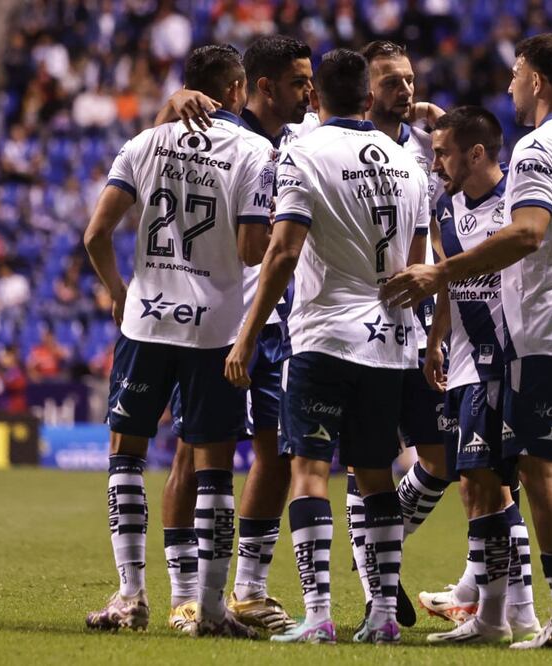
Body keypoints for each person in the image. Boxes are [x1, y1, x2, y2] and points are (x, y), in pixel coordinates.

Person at [380, 34, 552, 649]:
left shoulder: (538, 146)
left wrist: (440, 272)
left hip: (550, 331)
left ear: (537, 81)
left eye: (517, 73)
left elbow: (527, 234)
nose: (511, 84)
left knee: (540, 473)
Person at [224, 48, 430, 645]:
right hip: (389, 342)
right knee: (376, 476)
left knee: (310, 470)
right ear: (368, 98)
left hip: (324, 338)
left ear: (317, 98)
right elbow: (417, 267)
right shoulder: (409, 164)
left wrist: (247, 335)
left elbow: (283, 251)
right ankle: (383, 616)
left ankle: (318, 615)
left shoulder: (304, 154)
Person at [82, 45, 274, 639]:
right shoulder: (253, 151)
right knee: (214, 467)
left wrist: (119, 290)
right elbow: (250, 251)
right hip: (215, 329)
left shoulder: (143, 143)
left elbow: (95, 234)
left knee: (126, 455)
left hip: (146, 320)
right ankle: (211, 609)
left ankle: (130, 596)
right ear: (237, 90)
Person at [153, 35, 314, 634]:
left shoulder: (305, 135)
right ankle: (185, 596)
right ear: (261, 87)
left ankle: (248, 589)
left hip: (274, 324)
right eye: (298, 82)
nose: (309, 93)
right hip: (216, 323)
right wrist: (172, 102)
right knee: (193, 454)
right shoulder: (214, 134)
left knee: (277, 452)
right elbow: (155, 148)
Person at [413, 106, 541, 644]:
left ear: (477, 153)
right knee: (483, 488)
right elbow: (449, 279)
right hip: (464, 361)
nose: (436, 163)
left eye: (443, 153)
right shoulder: (445, 207)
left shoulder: (519, 199)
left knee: (485, 485)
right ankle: (516, 614)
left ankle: (498, 617)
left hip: (504, 362)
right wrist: (436, 339)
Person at [344, 39, 448, 631]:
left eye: (409, 78)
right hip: (360, 320)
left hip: (419, 317)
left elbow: (476, 174)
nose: (405, 89)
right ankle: (375, 584)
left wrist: (437, 120)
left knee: (440, 458)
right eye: (391, 80)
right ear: (365, 89)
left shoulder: (427, 147)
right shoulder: (332, 138)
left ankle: (373, 551)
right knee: (368, 458)